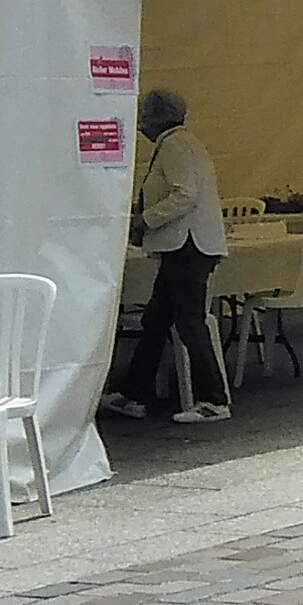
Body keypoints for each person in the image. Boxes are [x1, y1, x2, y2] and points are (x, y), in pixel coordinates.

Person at [102, 89, 232, 424]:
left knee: (189, 322)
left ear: (157, 118)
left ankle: (213, 400)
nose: (141, 124)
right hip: (185, 245)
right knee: (156, 322)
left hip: (186, 246)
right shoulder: (183, 143)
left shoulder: (175, 146)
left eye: (144, 116)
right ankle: (134, 394)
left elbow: (184, 195)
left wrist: (145, 219)